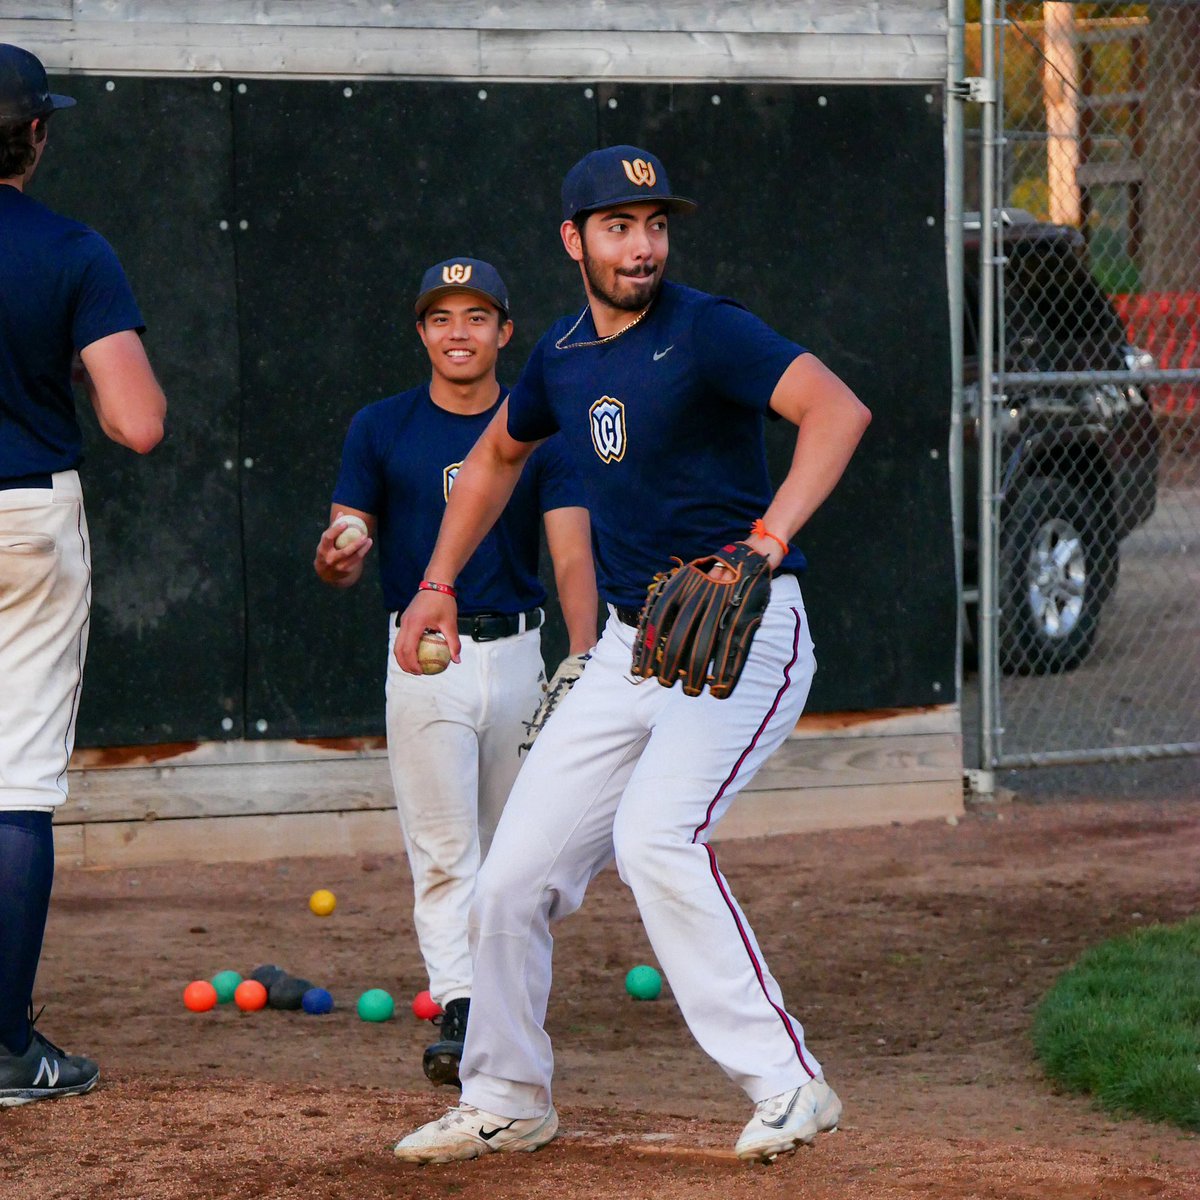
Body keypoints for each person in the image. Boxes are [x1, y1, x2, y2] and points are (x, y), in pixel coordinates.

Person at [389, 146, 872, 1164]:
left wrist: (763, 545)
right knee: (509, 879)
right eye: (617, 225)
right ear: (574, 240)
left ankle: (788, 1082)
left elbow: (838, 411)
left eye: (653, 223)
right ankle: (507, 1095)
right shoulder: (561, 354)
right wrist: (435, 583)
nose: (641, 244)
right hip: (629, 645)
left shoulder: (709, 330)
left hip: (744, 628)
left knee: (658, 836)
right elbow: (495, 459)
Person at [313, 257, 596, 1087]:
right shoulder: (381, 426)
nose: (459, 332)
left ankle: (506, 1002)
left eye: (477, 317)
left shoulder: (537, 426)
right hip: (425, 654)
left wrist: (581, 656)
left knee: (515, 849)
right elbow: (343, 548)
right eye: (442, 318)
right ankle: (465, 1008)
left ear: (506, 331)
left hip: (518, 651)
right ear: (421, 333)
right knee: (443, 849)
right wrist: (339, 552)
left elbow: (571, 552)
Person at [0, 44, 167, 1107]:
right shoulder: (71, 248)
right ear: (39, 134)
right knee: (12, 783)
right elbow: (137, 424)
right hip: (23, 516)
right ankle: (8, 1049)